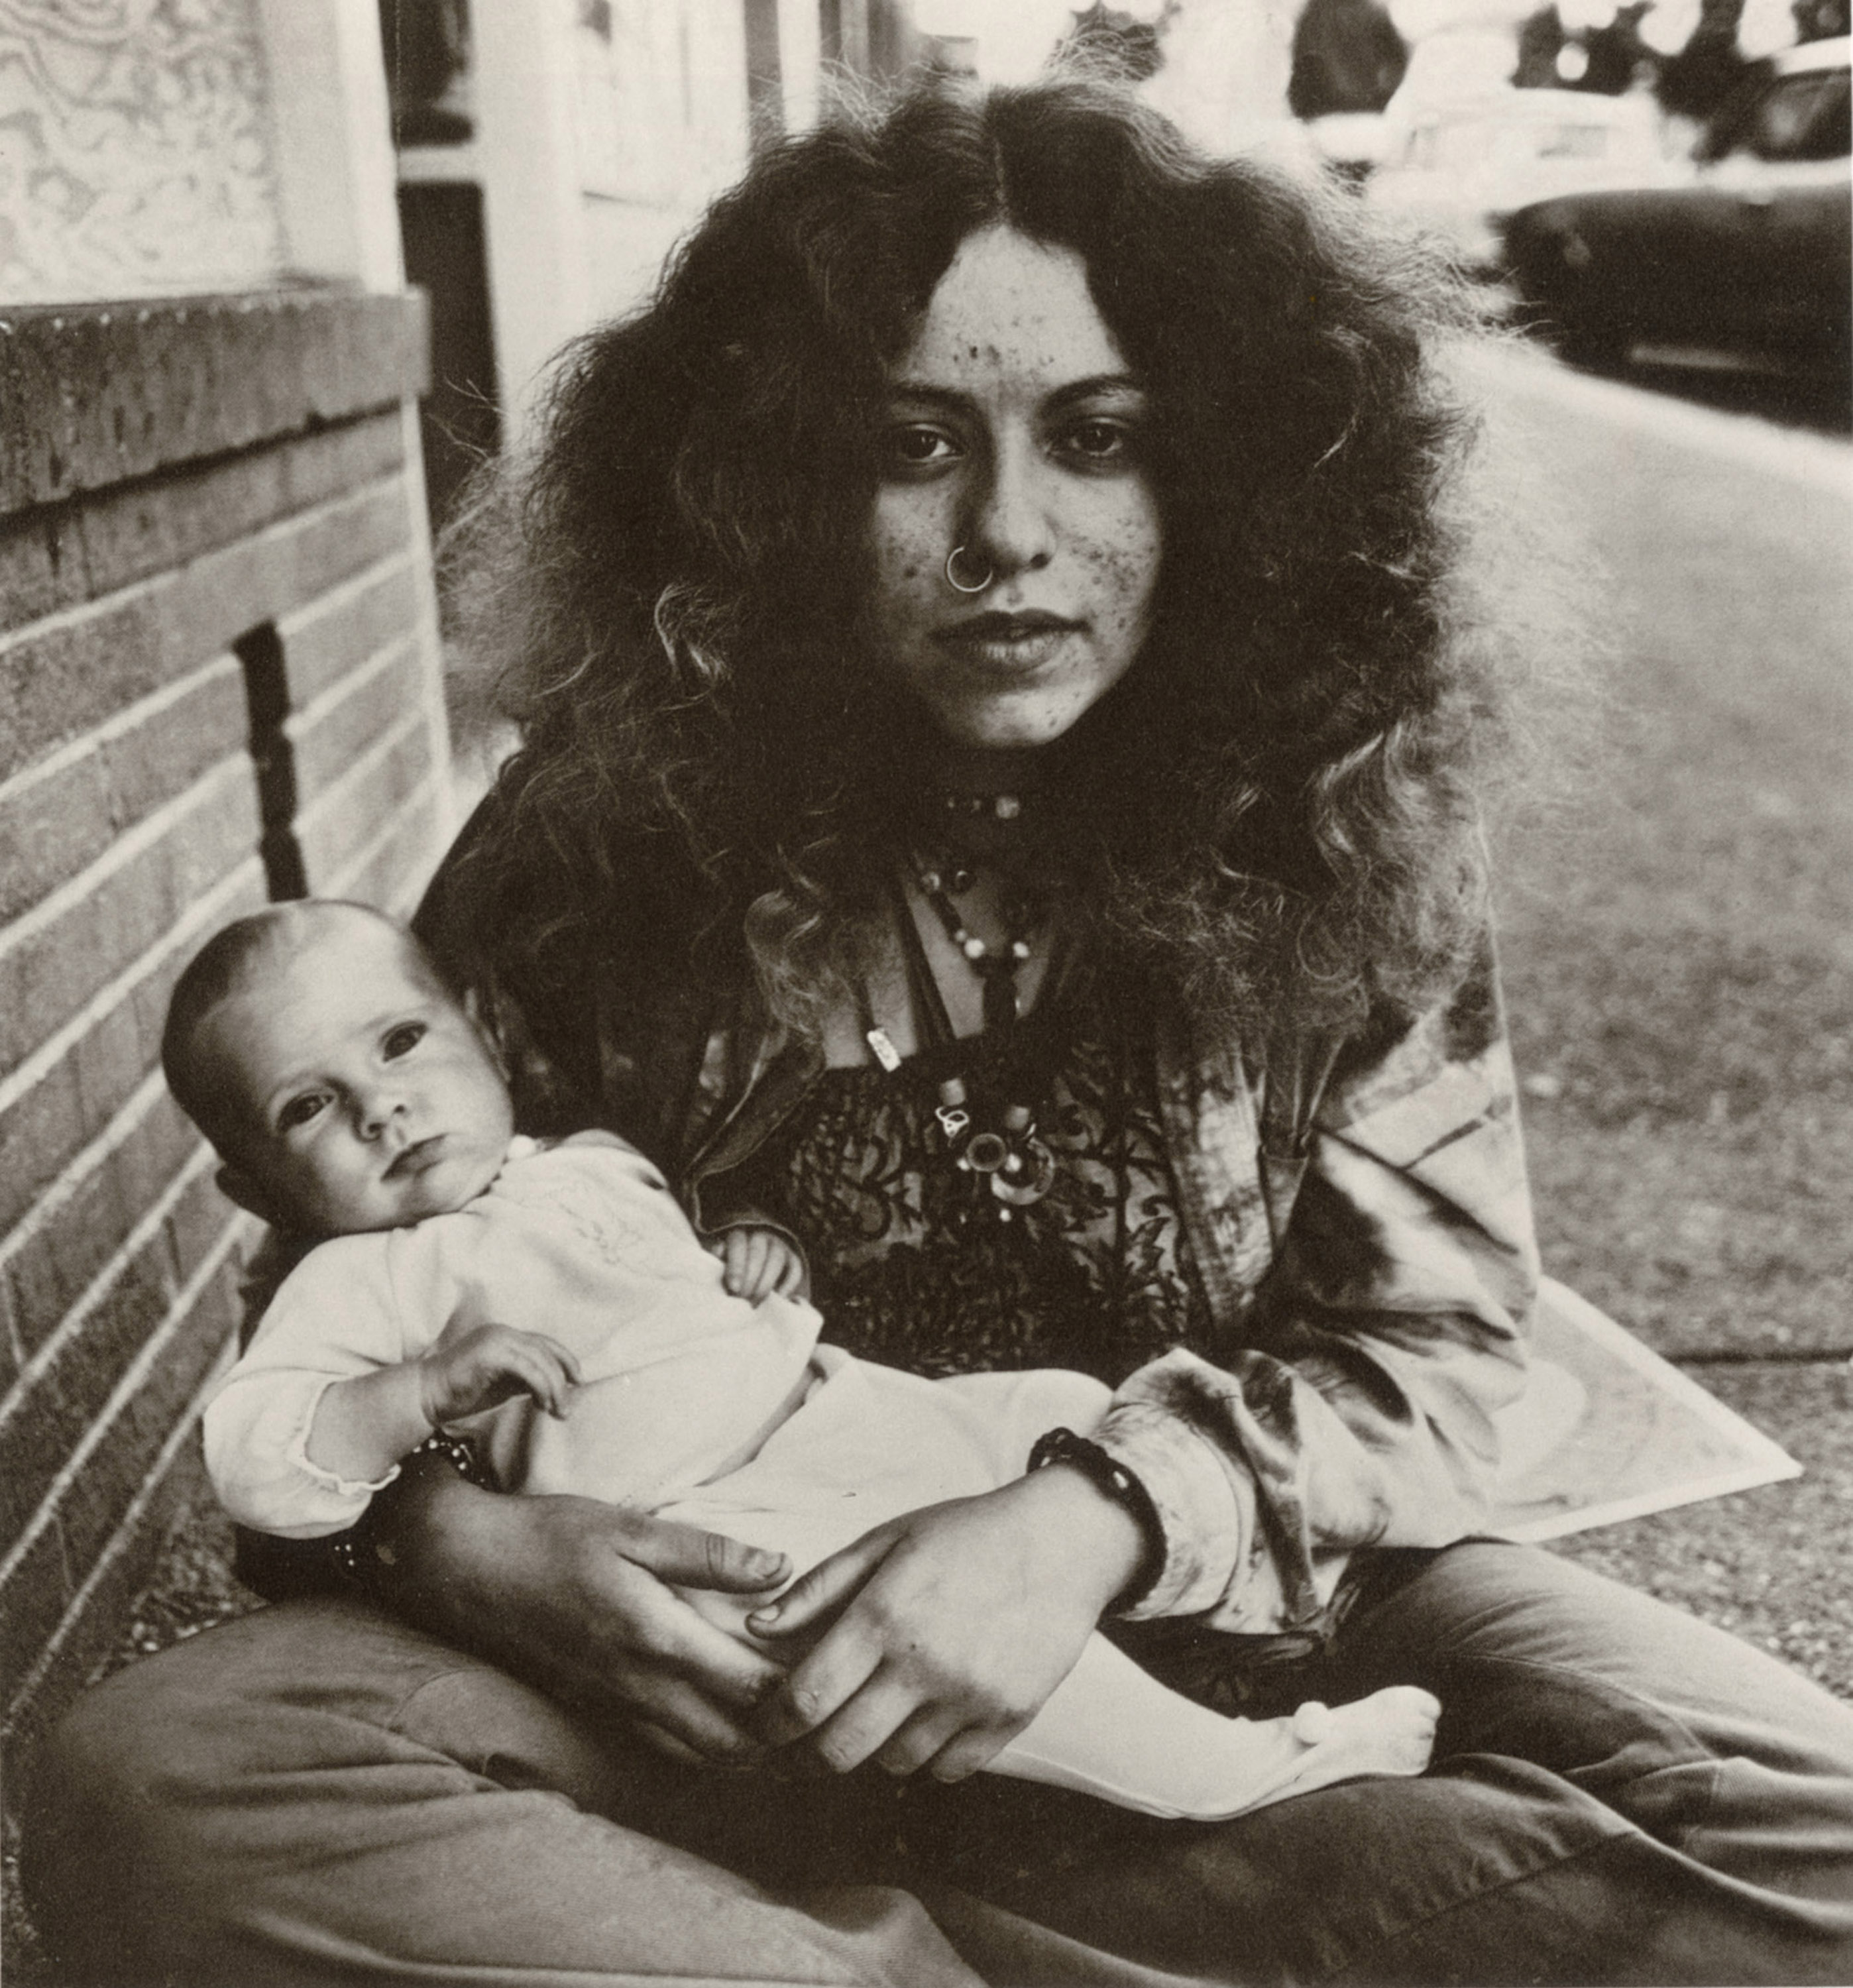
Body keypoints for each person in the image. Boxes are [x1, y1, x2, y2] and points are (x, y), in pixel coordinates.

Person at [25, 71, 1853, 1988]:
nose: (1005, 532)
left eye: (1096, 437)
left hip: (1209, 1623)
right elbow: (344, 1273)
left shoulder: (1341, 817)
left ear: (1217, 474)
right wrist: (450, 1548)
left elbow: (1442, 1351)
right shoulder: (606, 819)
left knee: (1816, 1851)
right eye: (914, 447)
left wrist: (1097, 1521)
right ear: (789, 482)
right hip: (706, 1674)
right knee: (154, 1779)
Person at [174, 897, 1439, 1824]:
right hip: (710, 1519)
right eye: (309, 1107)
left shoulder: (587, 1160)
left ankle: (1217, 1627)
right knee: (881, 1628)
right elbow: (256, 1451)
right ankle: (1229, 1775)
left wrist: (751, 1242)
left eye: (400, 1045)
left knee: (1061, 1415)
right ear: (256, 1184)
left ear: (482, 1036)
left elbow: (664, 1260)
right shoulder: (363, 1275)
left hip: (838, 1410)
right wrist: (411, 1409)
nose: (381, 1108)